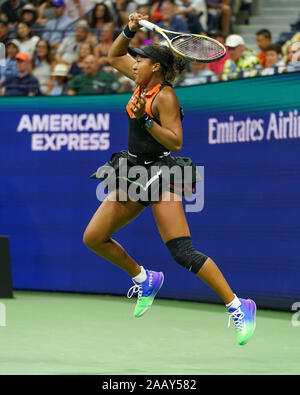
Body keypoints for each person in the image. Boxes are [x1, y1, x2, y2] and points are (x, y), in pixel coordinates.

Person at [83, 12, 257, 346]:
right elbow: (114, 55)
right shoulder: (139, 80)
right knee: (94, 237)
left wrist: (146, 122)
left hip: (162, 175)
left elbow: (176, 141)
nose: (134, 64)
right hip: (132, 171)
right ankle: (144, 277)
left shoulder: (165, 97)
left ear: (156, 68)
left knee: (182, 252)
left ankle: (238, 306)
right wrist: (130, 29)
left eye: (141, 61)